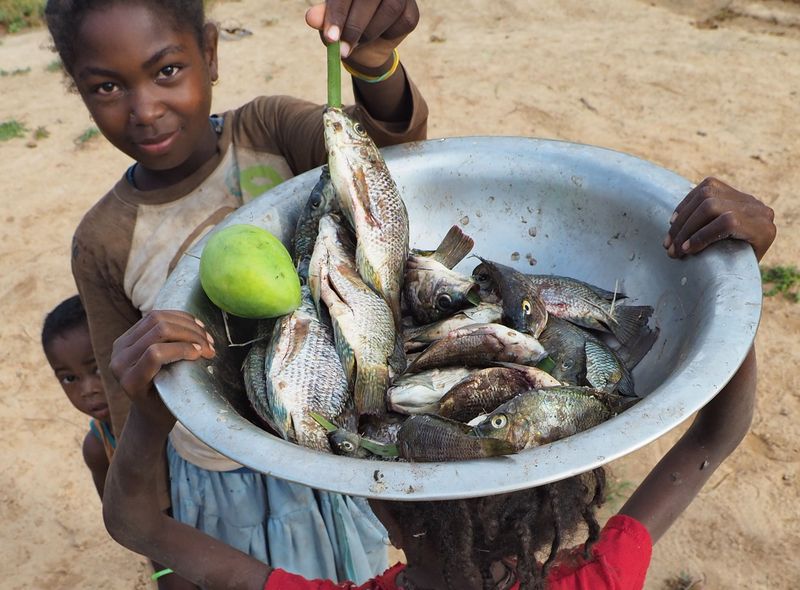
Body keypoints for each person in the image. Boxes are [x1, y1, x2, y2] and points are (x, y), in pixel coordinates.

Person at [102, 178, 776, 589]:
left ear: (381, 509)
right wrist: (734, 273)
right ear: (564, 492)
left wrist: (153, 413)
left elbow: (134, 522)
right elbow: (716, 434)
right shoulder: (597, 577)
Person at [43, 0, 427, 583]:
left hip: (330, 437)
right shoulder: (103, 239)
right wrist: (163, 553)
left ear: (211, 53)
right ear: (79, 90)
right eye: (106, 87)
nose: (145, 109)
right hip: (221, 479)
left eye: (166, 70)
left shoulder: (268, 133)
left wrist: (375, 65)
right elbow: (129, 399)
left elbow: (381, 163)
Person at [41, 294, 196, 589]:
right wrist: (164, 573)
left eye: (97, 369)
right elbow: (127, 522)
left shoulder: (172, 419)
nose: (88, 390)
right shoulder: (99, 448)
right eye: (69, 379)